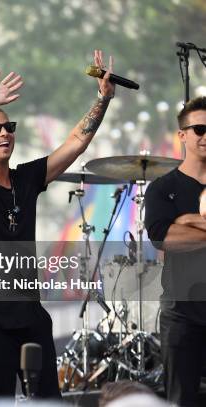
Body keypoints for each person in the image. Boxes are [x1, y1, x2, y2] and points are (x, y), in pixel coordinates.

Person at [0, 50, 115, 400]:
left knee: (48, 399)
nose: (4, 133)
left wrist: (102, 98)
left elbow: (76, 142)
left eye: (9, 127)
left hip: (30, 312)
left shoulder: (26, 178)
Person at [145, 96, 206, 407]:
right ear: (182, 135)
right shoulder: (161, 187)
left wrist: (188, 223)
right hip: (181, 314)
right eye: (199, 129)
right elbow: (163, 237)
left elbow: (179, 231)